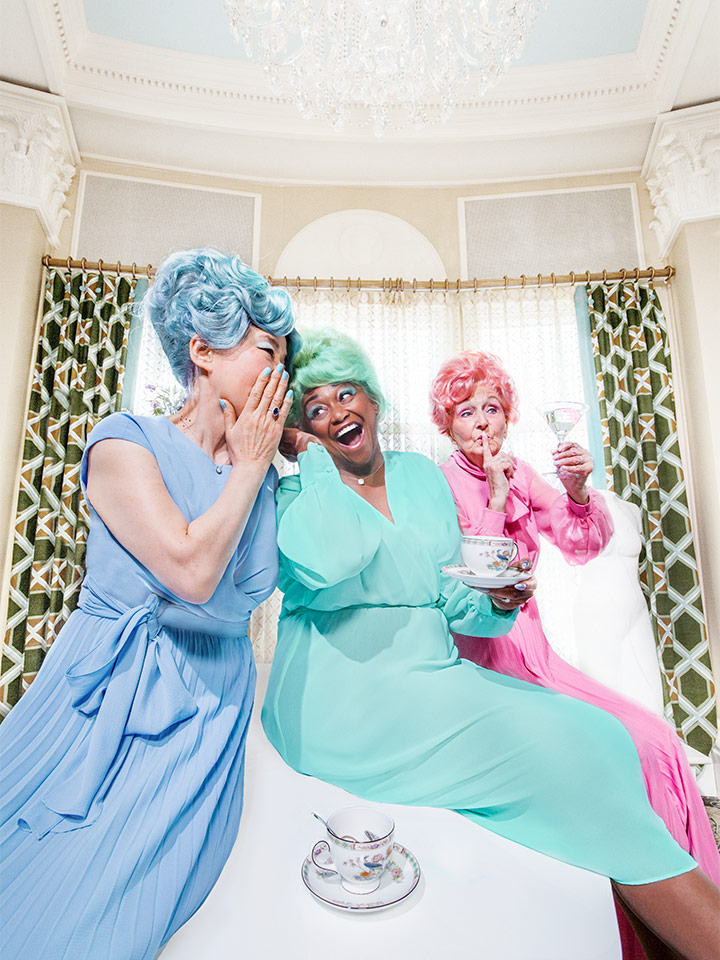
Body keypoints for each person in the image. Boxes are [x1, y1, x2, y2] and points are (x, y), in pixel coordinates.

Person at [262, 328, 719, 960]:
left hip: (435, 675)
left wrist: (499, 602)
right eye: (316, 409)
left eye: (348, 393)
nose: (339, 412)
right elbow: (339, 555)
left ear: (372, 398)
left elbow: (452, 601)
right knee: (576, 757)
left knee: (606, 737)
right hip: (343, 705)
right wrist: (311, 459)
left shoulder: (421, 476)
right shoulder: (295, 494)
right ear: (298, 429)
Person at [0, 249, 299, 960]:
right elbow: (192, 573)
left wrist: (265, 467)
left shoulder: (260, 478)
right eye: (266, 351)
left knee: (133, 911)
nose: (278, 375)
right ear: (202, 350)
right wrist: (250, 466)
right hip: (104, 703)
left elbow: (258, 595)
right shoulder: (123, 442)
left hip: (212, 706)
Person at [430, 349, 720, 959]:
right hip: (479, 661)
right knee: (609, 749)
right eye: (465, 412)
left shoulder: (524, 469)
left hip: (537, 655)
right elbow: (465, 572)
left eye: (491, 408)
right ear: (447, 423)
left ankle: (676, 918)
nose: (481, 422)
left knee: (655, 740)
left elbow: (582, 544)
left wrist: (576, 487)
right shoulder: (437, 481)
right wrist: (495, 495)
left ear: (507, 417)